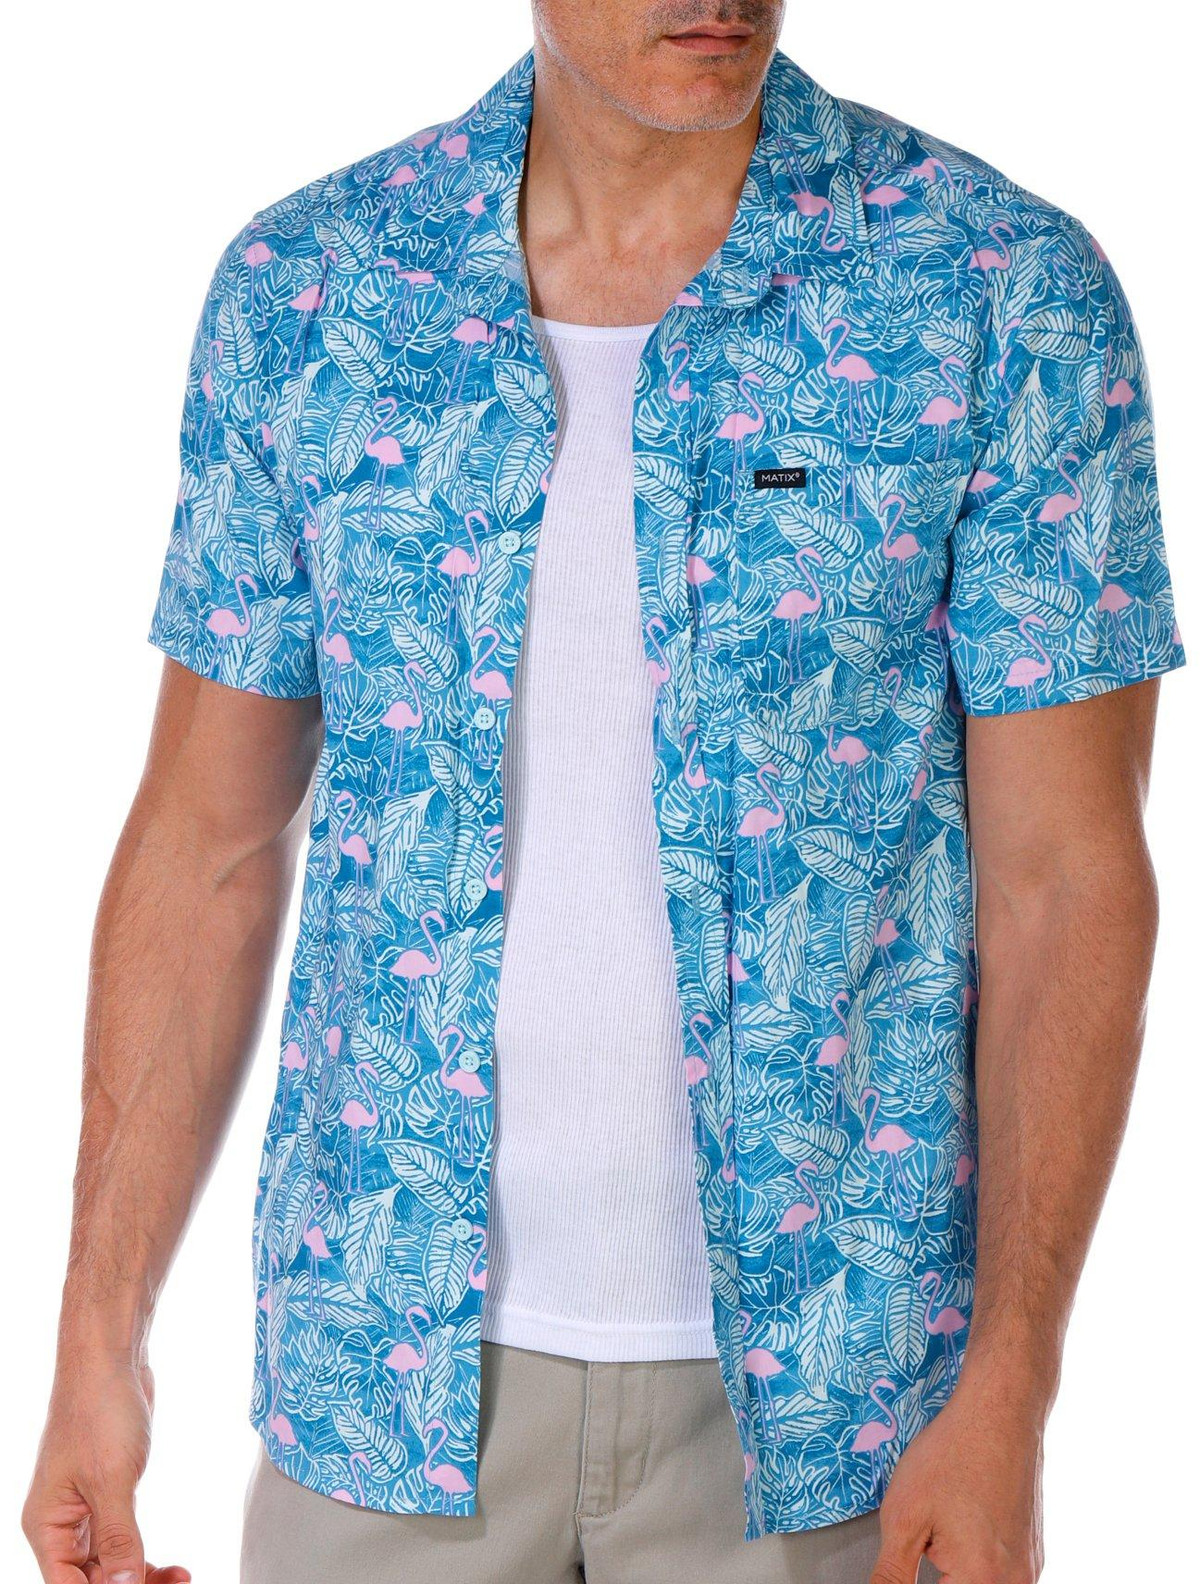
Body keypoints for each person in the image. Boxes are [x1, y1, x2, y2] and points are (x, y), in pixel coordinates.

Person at [23, 2, 1183, 1581]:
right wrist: (100, 1341)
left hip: (838, 1411)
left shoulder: (996, 294)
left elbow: (1068, 879)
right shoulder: (314, 292)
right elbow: (207, 845)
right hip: (384, 1388)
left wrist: (1015, 1387)